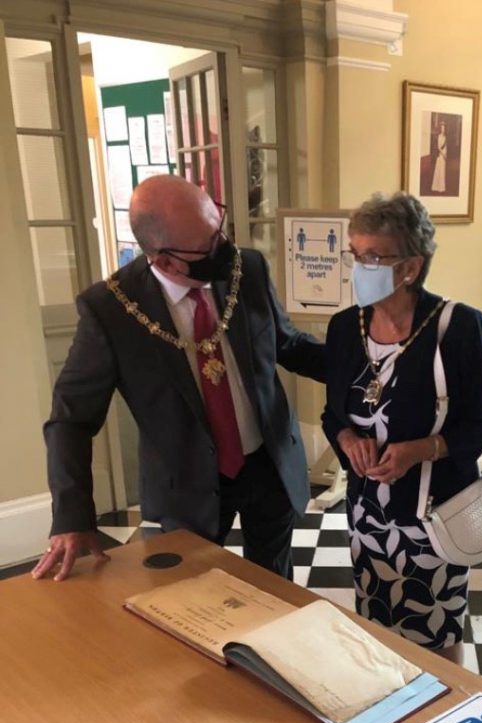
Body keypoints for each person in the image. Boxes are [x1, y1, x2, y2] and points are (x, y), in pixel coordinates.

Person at [33, 175, 325, 583]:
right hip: (187, 484)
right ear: (164, 259)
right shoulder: (110, 310)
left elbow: (289, 345)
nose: (223, 249)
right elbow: (70, 419)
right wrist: (71, 516)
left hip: (268, 465)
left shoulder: (248, 268)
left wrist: (366, 365)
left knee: (275, 587)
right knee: (194, 597)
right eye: (208, 247)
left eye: (218, 229)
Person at [322, 192, 482, 665]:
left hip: (433, 515)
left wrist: (419, 450)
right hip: (368, 514)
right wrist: (347, 440)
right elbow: (333, 414)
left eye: (374, 257)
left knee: (434, 630)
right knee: (375, 622)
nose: (360, 267)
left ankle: (442, 715)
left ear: (410, 267)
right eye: (355, 255)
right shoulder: (345, 327)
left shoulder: (459, 327)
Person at [431, 122, 448, 193]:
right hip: (440, 155)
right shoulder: (439, 136)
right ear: (440, 129)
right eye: (441, 128)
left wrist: (446, 154)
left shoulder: (445, 137)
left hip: (444, 155)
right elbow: (438, 147)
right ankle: (436, 187)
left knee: (442, 171)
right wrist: (443, 154)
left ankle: (441, 187)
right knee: (438, 170)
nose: (442, 129)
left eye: (444, 128)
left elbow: (446, 147)